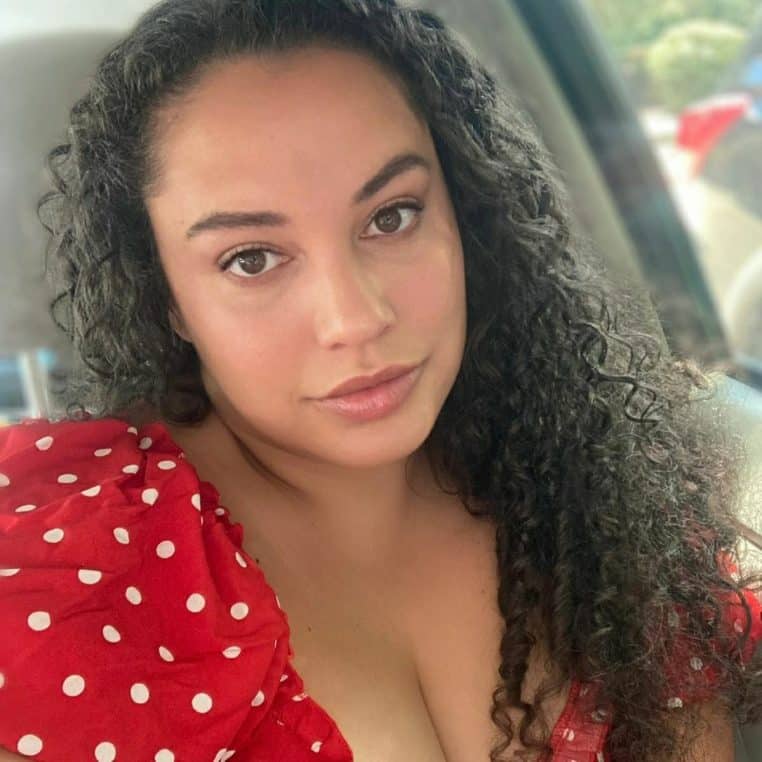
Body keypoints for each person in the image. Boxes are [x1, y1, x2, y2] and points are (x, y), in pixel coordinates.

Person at [1, 1, 760, 760]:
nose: (356, 318)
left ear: (464, 215)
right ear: (167, 297)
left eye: (392, 216)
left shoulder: (599, 492)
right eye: (251, 259)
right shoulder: (60, 574)